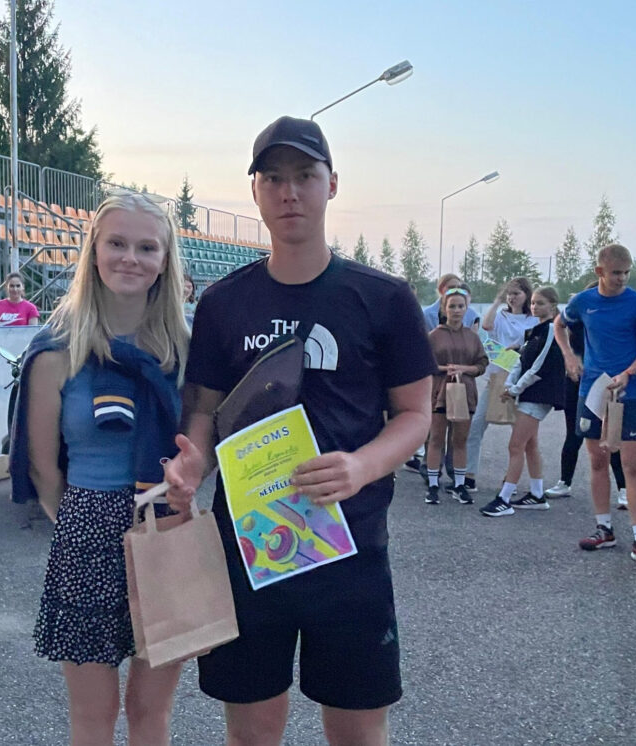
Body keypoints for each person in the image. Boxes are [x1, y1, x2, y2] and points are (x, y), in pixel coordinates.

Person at [164, 116, 434, 746]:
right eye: (273, 178)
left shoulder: (384, 297)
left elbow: (416, 415)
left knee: (357, 729)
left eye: (305, 176)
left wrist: (362, 466)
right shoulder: (223, 304)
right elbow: (203, 410)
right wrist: (193, 463)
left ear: (332, 184)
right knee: (252, 730)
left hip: (350, 546)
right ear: (255, 191)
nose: (289, 192)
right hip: (251, 544)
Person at [14, 192, 190, 744]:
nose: (130, 258)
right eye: (117, 243)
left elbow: (203, 445)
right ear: (93, 251)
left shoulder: (185, 351)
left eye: (146, 247)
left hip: (167, 527)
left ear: (165, 260)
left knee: (150, 711)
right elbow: (44, 469)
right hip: (86, 533)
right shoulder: (55, 350)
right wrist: (83, 522)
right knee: (94, 715)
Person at [555, 244, 636, 570]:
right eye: (616, 273)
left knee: (631, 466)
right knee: (597, 460)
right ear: (599, 271)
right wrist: (570, 357)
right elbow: (559, 325)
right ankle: (604, 529)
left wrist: (628, 374)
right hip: (592, 391)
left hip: (628, 392)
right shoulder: (583, 302)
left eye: (626, 272)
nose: (622, 278)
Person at [481, 287, 566, 516]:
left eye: (541, 303)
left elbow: (539, 366)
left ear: (552, 306)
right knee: (529, 443)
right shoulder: (534, 331)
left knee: (515, 445)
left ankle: (504, 498)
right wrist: (510, 385)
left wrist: (515, 389)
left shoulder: (551, 330)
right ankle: (537, 494)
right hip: (527, 392)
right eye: (534, 303)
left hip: (540, 394)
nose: (535, 307)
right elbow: (521, 360)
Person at [544, 282, 629, 504]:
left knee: (611, 432)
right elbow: (559, 327)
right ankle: (564, 482)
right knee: (574, 432)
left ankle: (623, 488)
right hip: (577, 379)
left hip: (606, 381)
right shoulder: (579, 315)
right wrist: (570, 358)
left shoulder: (616, 320)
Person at [464, 276, 537, 492]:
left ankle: (511, 480)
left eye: (517, 293)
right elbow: (487, 325)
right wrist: (497, 301)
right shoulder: (501, 315)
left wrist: (519, 349)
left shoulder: (532, 320)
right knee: (476, 424)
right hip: (497, 377)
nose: (512, 297)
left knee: (521, 434)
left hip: (521, 380)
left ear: (526, 295)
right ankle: (469, 474)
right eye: (509, 294)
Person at [425, 287, 487, 505]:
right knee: (436, 438)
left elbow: (482, 363)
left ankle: (459, 484)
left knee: (460, 440)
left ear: (466, 308)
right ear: (444, 308)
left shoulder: (472, 337)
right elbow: (424, 364)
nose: (457, 310)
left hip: (464, 392)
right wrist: (446, 368)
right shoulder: (434, 336)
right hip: (440, 392)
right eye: (452, 306)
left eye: (461, 306)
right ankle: (433, 484)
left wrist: (465, 369)